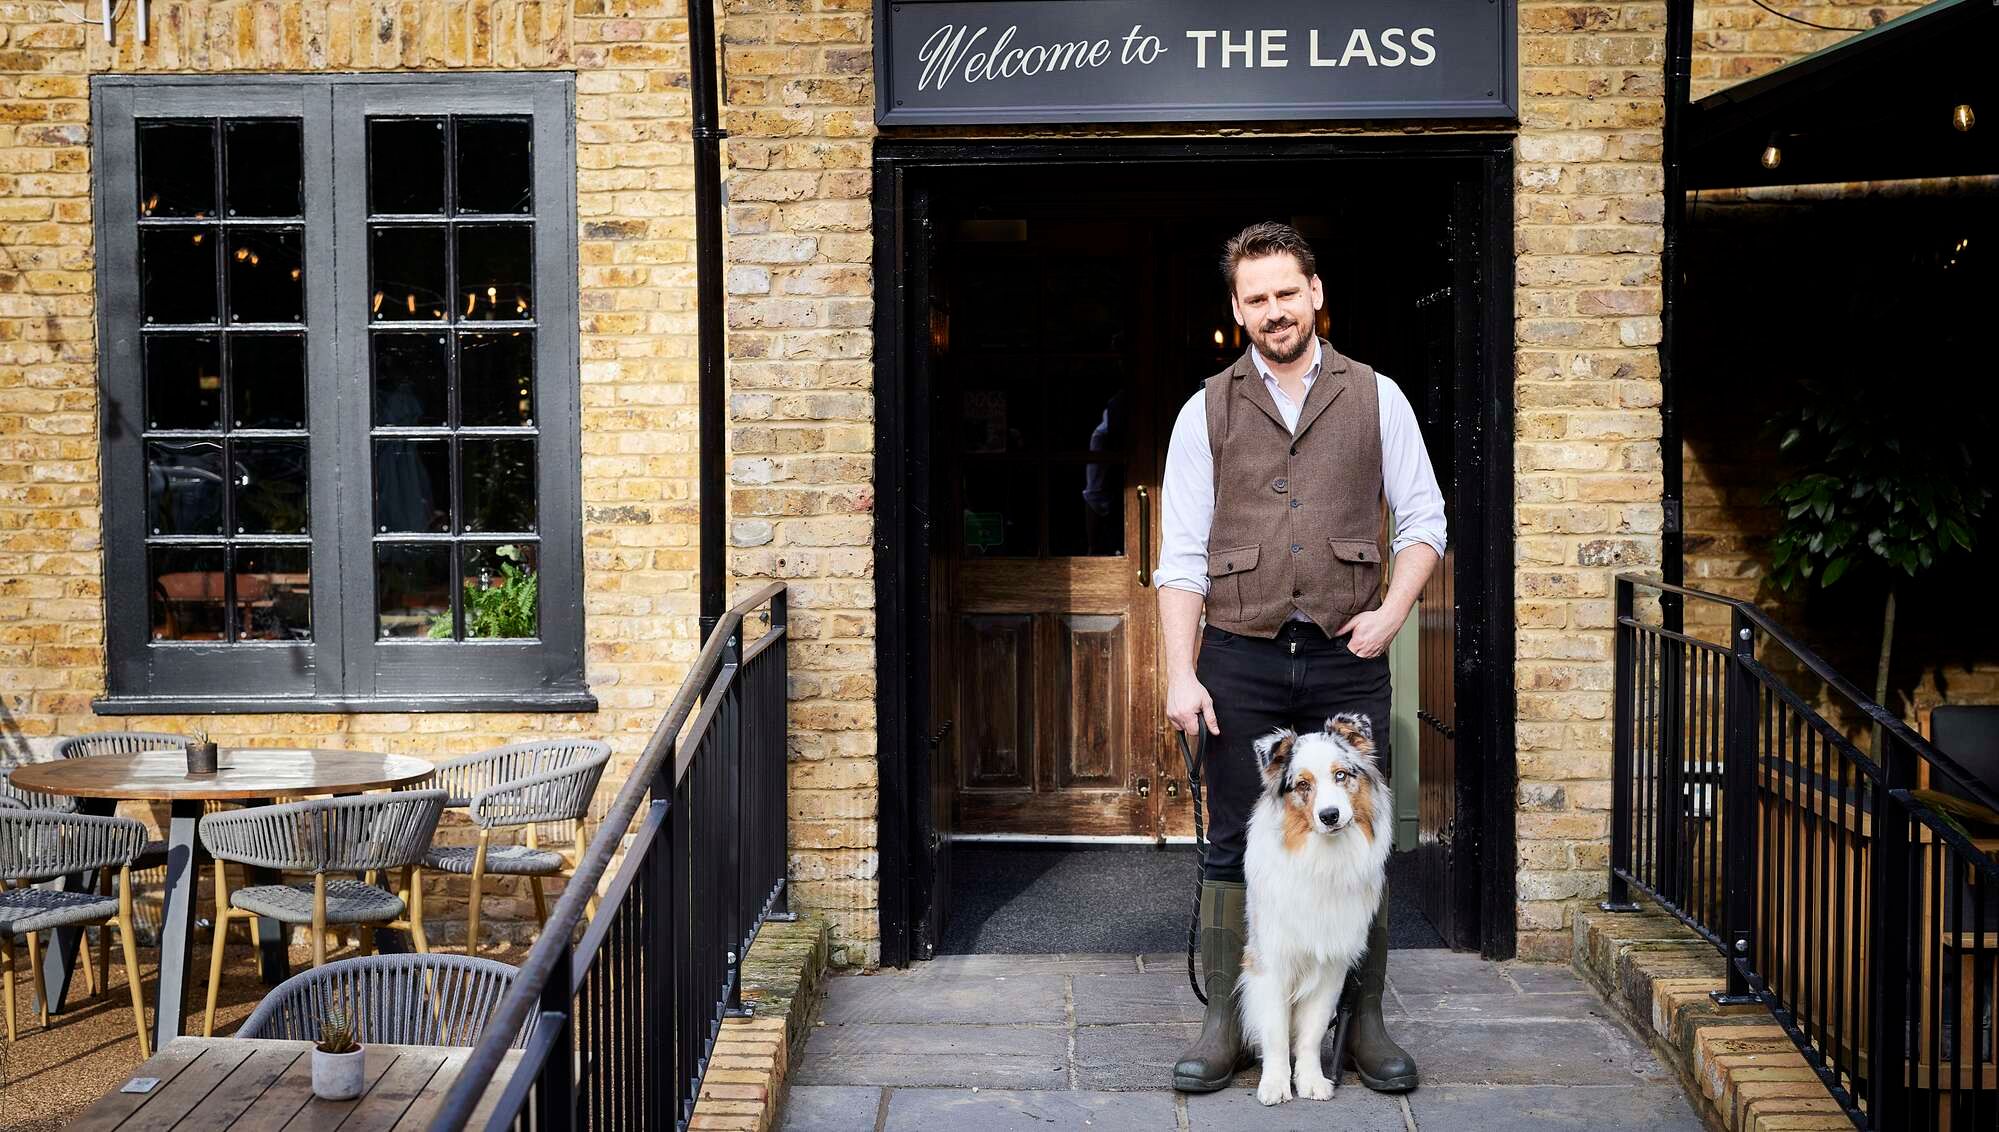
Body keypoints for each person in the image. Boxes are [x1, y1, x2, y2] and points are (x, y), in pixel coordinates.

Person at [1156, 221, 1446, 1094]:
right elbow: (1177, 557)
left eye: (1287, 292)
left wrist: (1391, 613)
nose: (1274, 311)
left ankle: (1363, 1025)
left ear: (1315, 293)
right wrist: (1179, 671)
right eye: (1256, 298)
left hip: (1344, 653)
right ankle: (1225, 1026)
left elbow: (1424, 520)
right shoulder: (1204, 407)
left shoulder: (1376, 396)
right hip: (1238, 654)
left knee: (1362, 833)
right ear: (1236, 310)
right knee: (1228, 846)